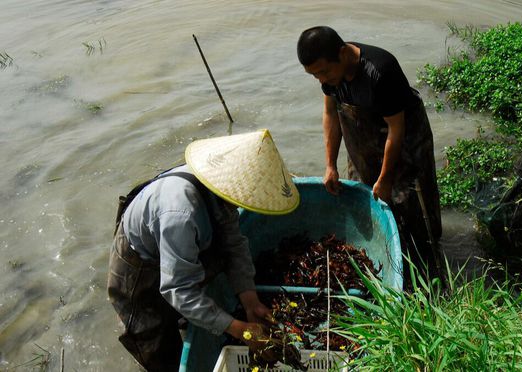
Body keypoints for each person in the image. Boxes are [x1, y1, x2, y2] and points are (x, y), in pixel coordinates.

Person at [107, 129, 300, 371]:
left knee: (197, 292)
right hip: (140, 265)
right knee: (156, 346)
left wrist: (250, 300)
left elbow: (234, 243)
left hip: (175, 240)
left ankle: (196, 320)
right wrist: (240, 330)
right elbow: (177, 288)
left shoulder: (221, 188)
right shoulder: (180, 214)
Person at [297, 26, 443, 280]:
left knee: (414, 204)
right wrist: (330, 164)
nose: (320, 79)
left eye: (322, 71)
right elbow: (331, 114)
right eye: (314, 75)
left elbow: (396, 130)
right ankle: (389, 254)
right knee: (365, 198)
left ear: (342, 54)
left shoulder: (380, 71)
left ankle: (431, 268)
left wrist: (385, 178)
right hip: (364, 138)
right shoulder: (331, 77)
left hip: (405, 139)